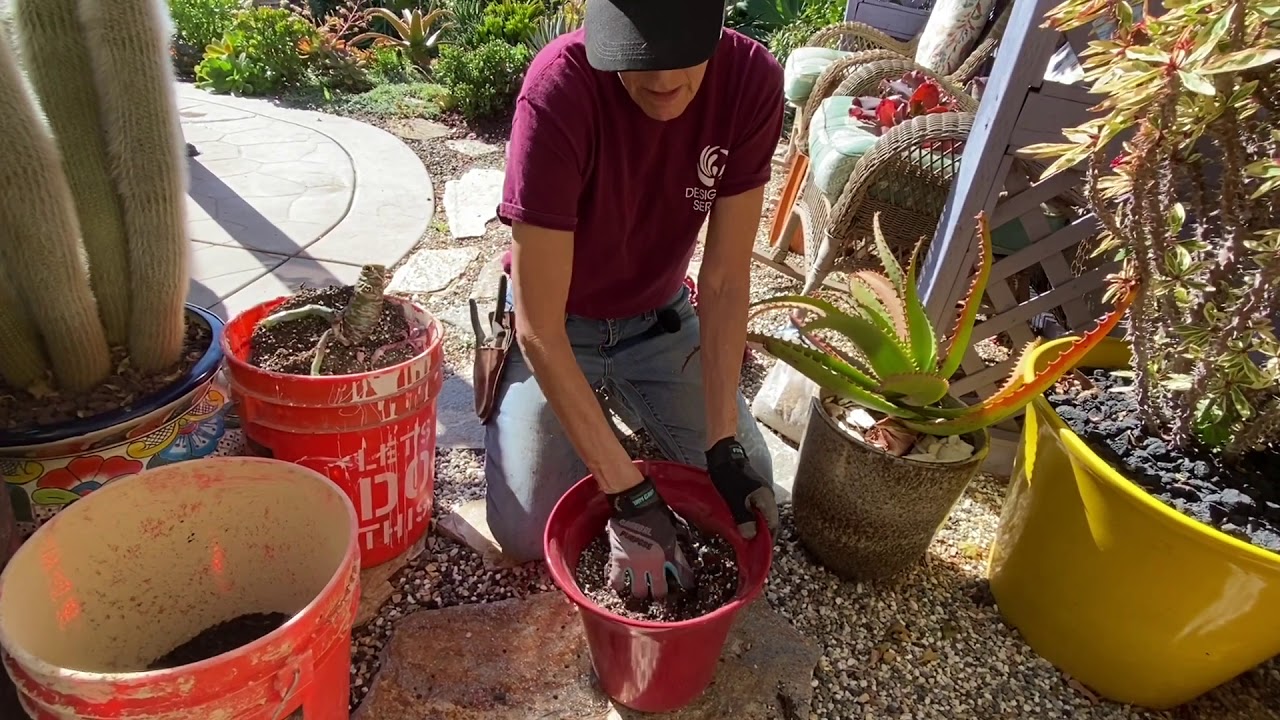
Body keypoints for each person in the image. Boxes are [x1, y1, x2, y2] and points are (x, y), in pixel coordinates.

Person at [487, 0, 784, 601]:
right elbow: (539, 326)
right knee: (524, 534)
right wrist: (630, 492)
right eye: (639, 55)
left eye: (682, 52)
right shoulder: (560, 88)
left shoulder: (752, 80)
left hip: (660, 320)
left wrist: (722, 442)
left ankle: (632, 419)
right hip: (558, 324)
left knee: (753, 490)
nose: (664, 80)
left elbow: (725, 280)